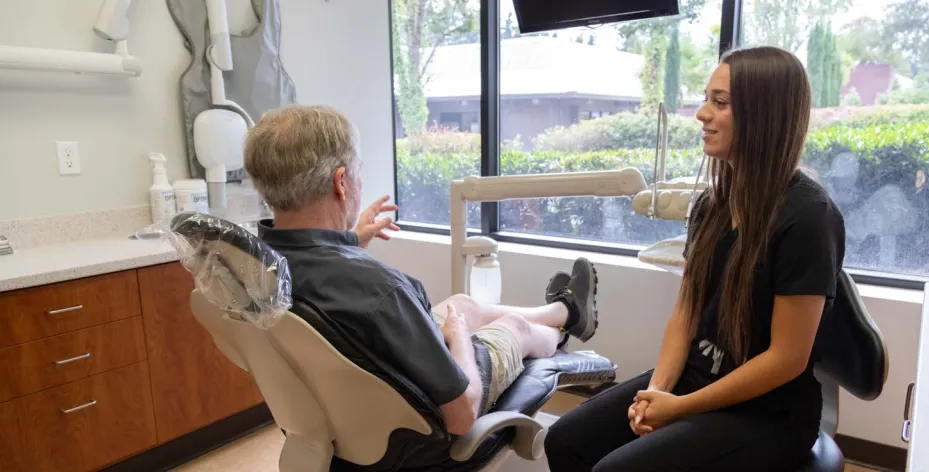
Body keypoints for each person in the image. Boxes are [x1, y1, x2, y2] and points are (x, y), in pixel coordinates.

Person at [545, 46, 845, 472]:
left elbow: (787, 358)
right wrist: (656, 393)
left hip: (768, 414)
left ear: (765, 115)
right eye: (706, 99)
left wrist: (680, 407)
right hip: (694, 380)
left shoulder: (809, 217)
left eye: (719, 103)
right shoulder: (712, 205)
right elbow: (686, 312)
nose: (702, 114)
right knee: (565, 440)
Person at [242, 104, 601, 440]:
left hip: (354, 399)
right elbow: (461, 415)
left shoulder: (256, 265)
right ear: (341, 182)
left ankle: (563, 311)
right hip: (423, 420)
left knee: (463, 302)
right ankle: (561, 331)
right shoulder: (383, 290)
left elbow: (324, 285)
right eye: (357, 171)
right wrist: (459, 337)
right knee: (514, 329)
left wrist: (348, 240)